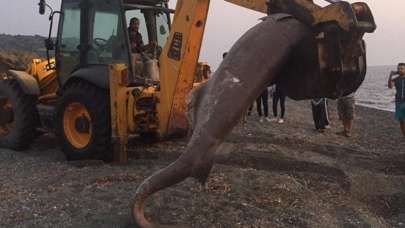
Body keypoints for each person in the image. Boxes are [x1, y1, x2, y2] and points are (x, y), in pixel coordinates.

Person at [388, 63, 405, 138]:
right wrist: (390, 75)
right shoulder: (396, 79)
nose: (400, 70)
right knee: (401, 121)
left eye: (401, 68)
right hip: (398, 102)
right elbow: (390, 86)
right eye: (398, 68)